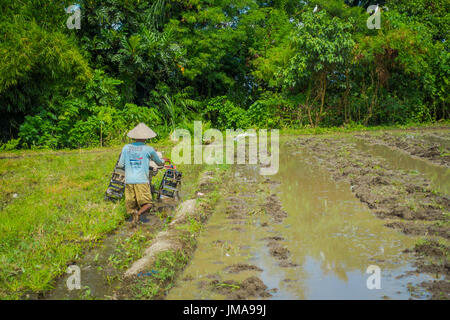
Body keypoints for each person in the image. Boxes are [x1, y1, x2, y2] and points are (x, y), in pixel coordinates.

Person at [118, 123, 166, 226]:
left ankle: (134, 221)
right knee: (148, 203)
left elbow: (121, 164)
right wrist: (163, 161)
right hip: (142, 181)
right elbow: (159, 163)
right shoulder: (149, 149)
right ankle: (139, 214)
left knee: (131, 206)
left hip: (129, 181)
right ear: (146, 137)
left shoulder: (126, 148)